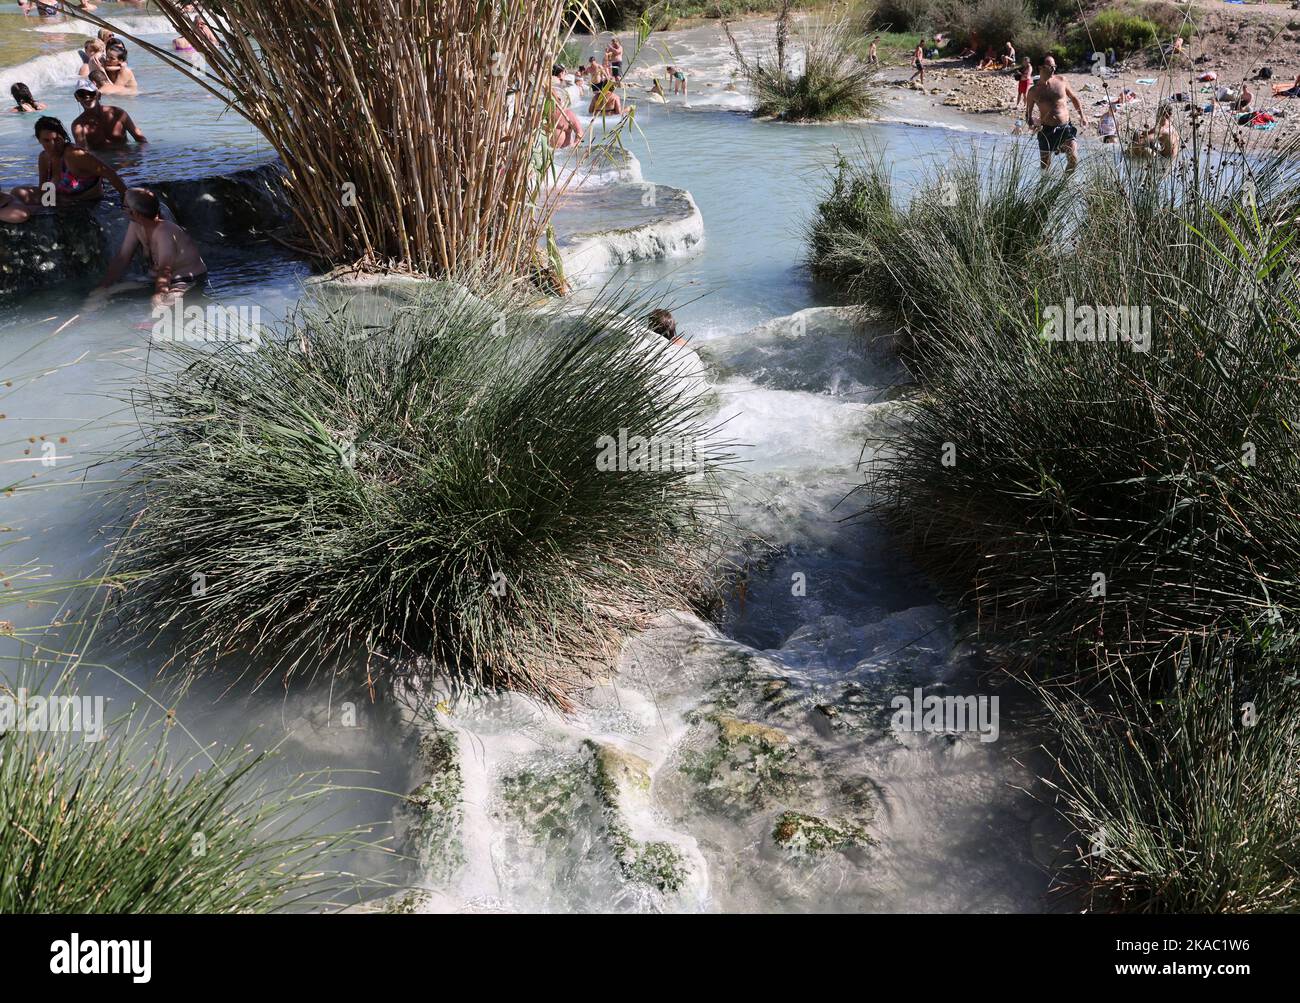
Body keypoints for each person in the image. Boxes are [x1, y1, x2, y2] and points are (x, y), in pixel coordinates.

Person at [97, 188, 208, 301]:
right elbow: (123, 258)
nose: (122, 209)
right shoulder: (136, 224)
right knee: (102, 294)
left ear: (135, 213)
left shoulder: (164, 232)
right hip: (154, 279)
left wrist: (159, 294)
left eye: (124, 206)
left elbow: (165, 269)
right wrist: (104, 285)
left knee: (162, 304)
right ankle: (85, 316)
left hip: (187, 280)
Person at [9, 116, 128, 206]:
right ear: (39, 140)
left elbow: (110, 173)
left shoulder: (74, 155)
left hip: (86, 202)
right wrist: (48, 206)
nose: (53, 145)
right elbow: (44, 190)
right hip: (61, 202)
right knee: (17, 193)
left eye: (57, 139)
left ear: (63, 137)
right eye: (46, 140)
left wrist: (126, 201)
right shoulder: (44, 158)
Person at [1025, 54, 1087, 171]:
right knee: (1045, 168)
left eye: (1055, 66)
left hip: (1065, 128)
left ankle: (1065, 185)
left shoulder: (1062, 81)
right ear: (1041, 67)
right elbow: (1028, 114)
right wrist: (1031, 124)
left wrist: (1082, 116)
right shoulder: (1033, 91)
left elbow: (1074, 98)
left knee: (1073, 160)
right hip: (1046, 131)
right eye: (1050, 66)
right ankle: (1048, 188)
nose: (1053, 69)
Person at [72, 79, 147, 149]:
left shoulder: (118, 113)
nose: (87, 97)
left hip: (126, 158)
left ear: (98, 95)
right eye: (82, 94)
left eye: (91, 93)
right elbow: (83, 153)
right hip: (101, 162)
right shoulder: (78, 126)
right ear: (77, 98)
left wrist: (142, 159)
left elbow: (140, 139)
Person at [549, 64, 582, 149]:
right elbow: (580, 134)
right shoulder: (566, 114)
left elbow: (579, 134)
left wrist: (573, 145)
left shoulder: (567, 114)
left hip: (560, 153)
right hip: (558, 154)